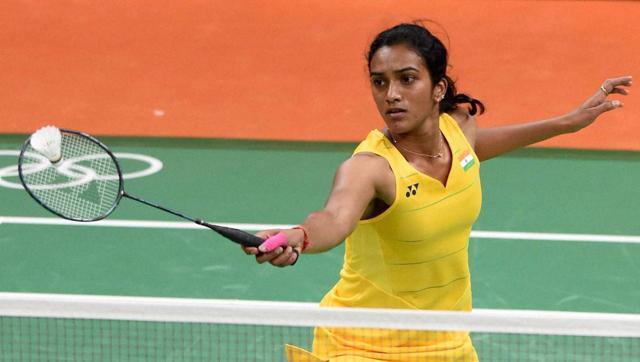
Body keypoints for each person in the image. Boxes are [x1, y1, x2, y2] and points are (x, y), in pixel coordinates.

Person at [242, 22, 632, 361]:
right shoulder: (370, 169)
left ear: (437, 87)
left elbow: (473, 151)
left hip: (445, 342)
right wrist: (300, 236)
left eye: (406, 79)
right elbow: (333, 218)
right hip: (361, 343)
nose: (391, 94)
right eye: (380, 82)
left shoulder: (458, 128)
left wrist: (567, 123)